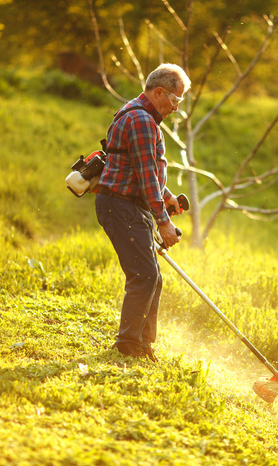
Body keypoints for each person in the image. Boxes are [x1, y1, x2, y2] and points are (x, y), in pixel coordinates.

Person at [95, 63, 191, 361]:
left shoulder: (140, 114)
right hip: (120, 206)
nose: (176, 108)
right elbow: (147, 175)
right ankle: (127, 345)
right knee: (144, 275)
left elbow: (143, 171)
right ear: (159, 92)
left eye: (180, 102)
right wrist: (163, 222)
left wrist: (168, 197)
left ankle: (143, 345)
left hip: (128, 204)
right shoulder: (141, 120)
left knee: (152, 277)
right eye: (175, 100)